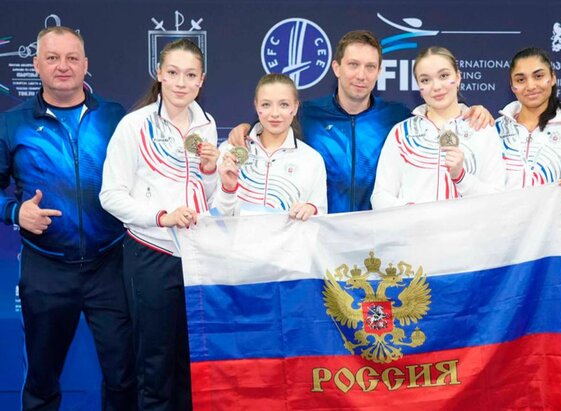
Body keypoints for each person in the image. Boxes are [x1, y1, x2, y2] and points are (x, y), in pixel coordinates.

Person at [0, 26, 134, 410]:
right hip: (46, 270)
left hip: (111, 266)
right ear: (36, 64)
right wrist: (15, 211)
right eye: (53, 58)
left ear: (86, 64)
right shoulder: (12, 124)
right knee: (42, 382)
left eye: (72, 58)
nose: (63, 66)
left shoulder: (114, 116)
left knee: (124, 379)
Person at [228, 30, 493, 213]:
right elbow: (272, 124)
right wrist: (247, 128)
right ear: (336, 67)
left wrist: (471, 110)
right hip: (320, 238)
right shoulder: (307, 113)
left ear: (379, 71)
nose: (361, 75)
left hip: (378, 240)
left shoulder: (397, 117)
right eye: (353, 65)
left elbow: (435, 116)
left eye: (370, 67)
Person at [100, 39, 219, 410]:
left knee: (190, 362)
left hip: (196, 257)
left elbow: (209, 196)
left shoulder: (207, 125)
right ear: (159, 74)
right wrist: (161, 216)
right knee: (154, 364)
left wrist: (211, 171)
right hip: (151, 253)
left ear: (202, 80)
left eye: (190, 75)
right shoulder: (134, 126)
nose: (181, 83)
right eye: (173, 73)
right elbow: (110, 195)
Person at [496, 47, 561, 305]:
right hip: (503, 252)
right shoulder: (494, 131)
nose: (531, 85)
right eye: (521, 79)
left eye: (538, 75)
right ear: (512, 86)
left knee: (549, 331)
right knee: (500, 331)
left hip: (557, 253)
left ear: (552, 78)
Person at [370, 46, 504, 208]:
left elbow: (497, 200)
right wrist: (412, 214)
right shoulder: (402, 133)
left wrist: (461, 177)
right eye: (425, 80)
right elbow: (380, 196)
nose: (436, 87)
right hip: (413, 225)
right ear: (419, 87)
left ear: (458, 77)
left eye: (444, 76)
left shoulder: (482, 128)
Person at [216, 74, 327, 218]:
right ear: (256, 106)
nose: (275, 114)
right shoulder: (229, 151)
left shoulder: (312, 160)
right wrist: (228, 190)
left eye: (284, 105)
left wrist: (311, 211)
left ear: (295, 107)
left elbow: (320, 220)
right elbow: (214, 219)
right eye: (266, 105)